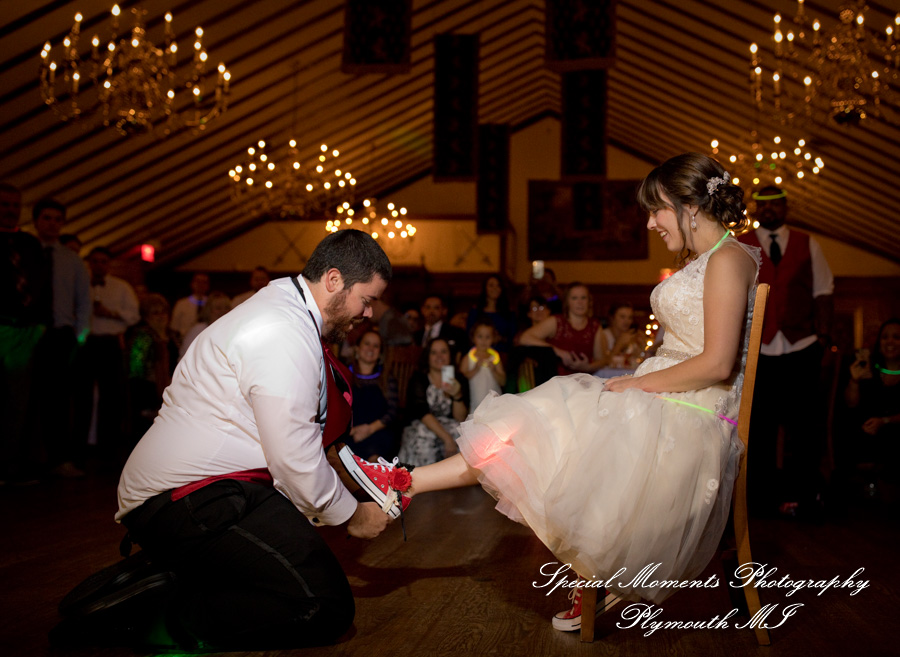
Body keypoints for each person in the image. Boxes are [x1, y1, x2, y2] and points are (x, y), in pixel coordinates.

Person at [342, 153, 759, 631]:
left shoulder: (728, 259)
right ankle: (403, 483)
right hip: (666, 395)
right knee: (536, 420)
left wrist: (637, 382)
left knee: (555, 422)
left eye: (656, 209)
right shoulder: (706, 260)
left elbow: (718, 362)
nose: (649, 223)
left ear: (689, 205)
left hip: (695, 413)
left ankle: (405, 485)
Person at [52, 230, 393, 651]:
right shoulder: (282, 330)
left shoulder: (286, 312)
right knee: (323, 607)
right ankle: (131, 625)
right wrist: (352, 516)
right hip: (188, 498)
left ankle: (176, 575)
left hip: (208, 491)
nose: (370, 312)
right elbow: (293, 458)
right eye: (368, 298)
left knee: (297, 579)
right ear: (334, 280)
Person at [738, 185, 834, 517]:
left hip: (801, 346)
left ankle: (806, 498)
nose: (769, 211)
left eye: (775, 204)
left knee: (805, 428)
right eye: (762, 205)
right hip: (758, 351)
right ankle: (762, 501)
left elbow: (823, 292)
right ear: (755, 209)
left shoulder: (809, 244)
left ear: (785, 207)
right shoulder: (742, 244)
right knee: (759, 428)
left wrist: (822, 339)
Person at [30, 197, 91, 478]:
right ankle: (27, 459)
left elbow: (83, 303)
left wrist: (77, 338)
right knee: (26, 398)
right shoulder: (25, 252)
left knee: (58, 400)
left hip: (60, 335)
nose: (52, 224)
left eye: (57, 219)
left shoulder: (72, 260)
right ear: (36, 220)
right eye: (47, 218)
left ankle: (59, 459)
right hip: (27, 333)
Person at [75, 247, 140, 463]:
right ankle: (80, 446)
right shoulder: (81, 283)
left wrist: (111, 313)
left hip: (110, 343)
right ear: (89, 263)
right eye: (95, 261)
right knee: (82, 395)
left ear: (109, 264)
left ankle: (108, 448)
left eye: (103, 261)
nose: (99, 265)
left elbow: (134, 316)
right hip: (86, 342)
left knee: (111, 396)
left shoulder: (121, 287)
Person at [0, 183, 46, 485]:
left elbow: (41, 286)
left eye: (15, 205)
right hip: (2, 324)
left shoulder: (30, 245)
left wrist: (39, 324)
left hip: (26, 329)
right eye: (5, 204)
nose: (10, 210)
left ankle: (11, 466)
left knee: (19, 402)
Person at [843, 318, 900, 501]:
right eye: (885, 337)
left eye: (896, 337)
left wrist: (885, 421)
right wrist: (854, 380)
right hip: (867, 433)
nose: (890, 342)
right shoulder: (869, 369)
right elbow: (851, 404)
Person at [397, 337, 469, 466]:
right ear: (428, 357)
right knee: (423, 435)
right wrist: (447, 438)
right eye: (434, 352)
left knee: (462, 436)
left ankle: (451, 481)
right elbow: (421, 412)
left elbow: (460, 418)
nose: (439, 356)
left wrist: (457, 395)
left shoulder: (459, 379)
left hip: (449, 424)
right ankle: (422, 480)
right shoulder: (419, 378)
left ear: (450, 355)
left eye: (443, 352)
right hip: (423, 423)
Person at [125, 294, 179, 450]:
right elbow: (136, 370)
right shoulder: (142, 336)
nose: (161, 316)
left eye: (163, 312)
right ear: (146, 316)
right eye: (155, 313)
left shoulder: (173, 335)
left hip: (171, 389)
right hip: (147, 391)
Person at [519, 282, 605, 375]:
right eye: (574, 298)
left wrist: (587, 367)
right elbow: (525, 338)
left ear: (589, 301)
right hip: (554, 380)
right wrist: (557, 351)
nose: (580, 302)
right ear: (567, 301)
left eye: (583, 298)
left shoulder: (594, 325)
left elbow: (601, 360)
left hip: (583, 381)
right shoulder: (556, 321)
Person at [348, 330, 399, 460]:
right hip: (349, 433)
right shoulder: (344, 374)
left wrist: (369, 429)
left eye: (376, 346)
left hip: (377, 431)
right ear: (357, 348)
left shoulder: (387, 378)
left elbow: (392, 412)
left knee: (378, 447)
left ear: (380, 353)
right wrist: (351, 431)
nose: (371, 348)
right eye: (367, 344)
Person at [466, 275, 517, 354]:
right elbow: (469, 334)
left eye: (498, 285)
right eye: (491, 285)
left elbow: (513, 337)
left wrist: (500, 339)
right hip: (478, 352)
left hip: (502, 353)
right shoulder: (475, 311)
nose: (495, 288)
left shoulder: (509, 313)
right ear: (485, 288)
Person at [462, 319, 506, 410]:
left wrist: (493, 371)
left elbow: (503, 381)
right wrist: (475, 369)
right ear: (473, 337)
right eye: (480, 336)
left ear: (493, 338)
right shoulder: (468, 358)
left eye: (488, 337)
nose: (483, 340)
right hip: (475, 403)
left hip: (495, 402)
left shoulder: (495, 358)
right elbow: (462, 378)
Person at [413, 295, 469, 363]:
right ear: (422, 310)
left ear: (444, 311)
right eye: (428, 307)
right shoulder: (415, 335)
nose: (431, 311)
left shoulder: (456, 333)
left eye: (436, 308)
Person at [177, 290, 231, 360]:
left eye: (226, 308)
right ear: (209, 310)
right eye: (218, 308)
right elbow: (186, 356)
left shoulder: (230, 331)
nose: (223, 311)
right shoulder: (199, 329)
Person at [169, 272, 210, 342]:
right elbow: (174, 327)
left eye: (204, 282)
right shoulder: (181, 304)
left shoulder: (211, 304)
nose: (201, 285)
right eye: (198, 282)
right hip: (185, 340)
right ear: (192, 284)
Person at [602, 302, 645, 369]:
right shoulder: (603, 335)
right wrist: (619, 344)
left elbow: (639, 360)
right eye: (622, 317)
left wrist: (642, 346)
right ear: (612, 318)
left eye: (630, 317)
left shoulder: (633, 336)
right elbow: (602, 362)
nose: (626, 321)